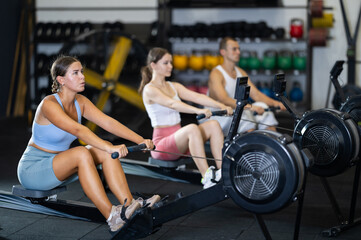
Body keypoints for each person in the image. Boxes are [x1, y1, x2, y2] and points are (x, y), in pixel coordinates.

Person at [17, 55, 160, 232]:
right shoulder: (49, 104)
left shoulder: (80, 102)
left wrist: (140, 140)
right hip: (34, 170)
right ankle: (112, 216)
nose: (82, 77)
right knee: (84, 152)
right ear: (61, 79)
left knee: (104, 151)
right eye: (75, 73)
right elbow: (78, 130)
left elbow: (108, 122)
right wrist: (110, 146)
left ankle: (128, 204)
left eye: (82, 72)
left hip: (59, 163)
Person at [138, 47, 233, 189]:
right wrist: (197, 110)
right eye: (166, 63)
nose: (170, 66)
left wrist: (221, 106)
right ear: (153, 65)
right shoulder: (149, 89)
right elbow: (172, 104)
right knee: (192, 129)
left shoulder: (173, 86)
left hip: (180, 141)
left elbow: (197, 96)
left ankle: (221, 171)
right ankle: (206, 177)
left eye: (171, 62)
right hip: (162, 146)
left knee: (213, 124)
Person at [207, 37, 286, 135]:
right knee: (244, 115)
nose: (238, 52)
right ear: (223, 52)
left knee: (264, 109)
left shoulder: (240, 72)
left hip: (237, 110)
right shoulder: (216, 73)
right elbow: (223, 99)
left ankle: (273, 144)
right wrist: (250, 107)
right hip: (218, 115)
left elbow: (256, 94)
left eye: (239, 49)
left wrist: (276, 103)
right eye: (234, 49)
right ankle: (252, 147)